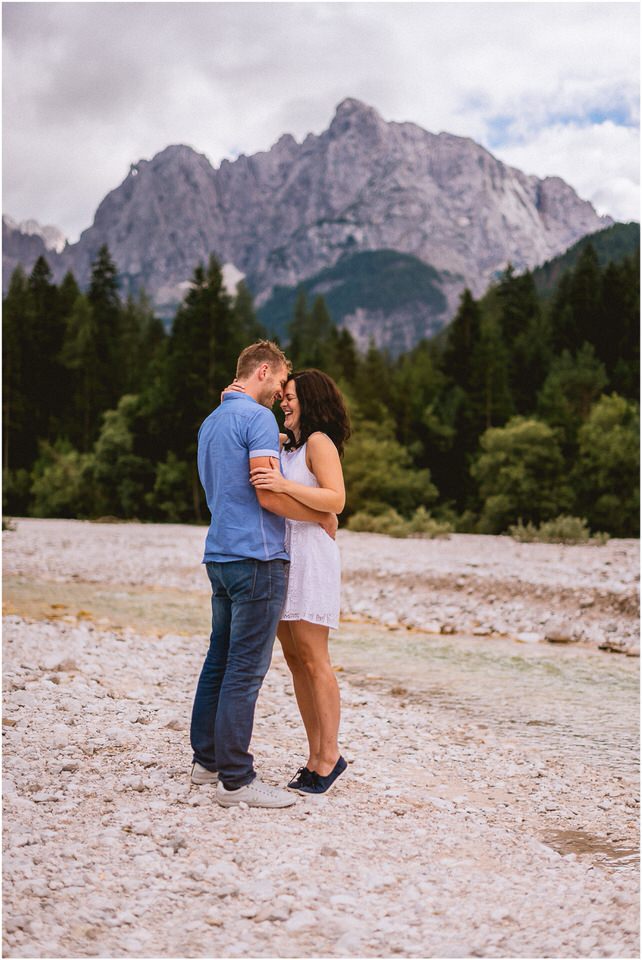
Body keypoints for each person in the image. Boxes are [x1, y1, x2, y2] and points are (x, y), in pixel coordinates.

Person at [189, 342, 338, 809]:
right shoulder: (257, 419)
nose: (280, 395)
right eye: (280, 384)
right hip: (257, 558)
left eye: (290, 392)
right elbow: (267, 495)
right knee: (245, 669)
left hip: (221, 554)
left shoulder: (212, 422)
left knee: (220, 659)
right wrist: (317, 517)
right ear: (265, 371)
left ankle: (208, 761)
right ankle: (235, 779)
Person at [250, 369, 351, 795]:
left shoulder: (318, 443)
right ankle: (314, 755)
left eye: (290, 397)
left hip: (311, 556)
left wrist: (285, 484)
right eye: (282, 396)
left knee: (314, 659)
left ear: (309, 400)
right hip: (283, 554)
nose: (283, 403)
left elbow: (337, 500)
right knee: (294, 661)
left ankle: (330, 757)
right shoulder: (285, 445)